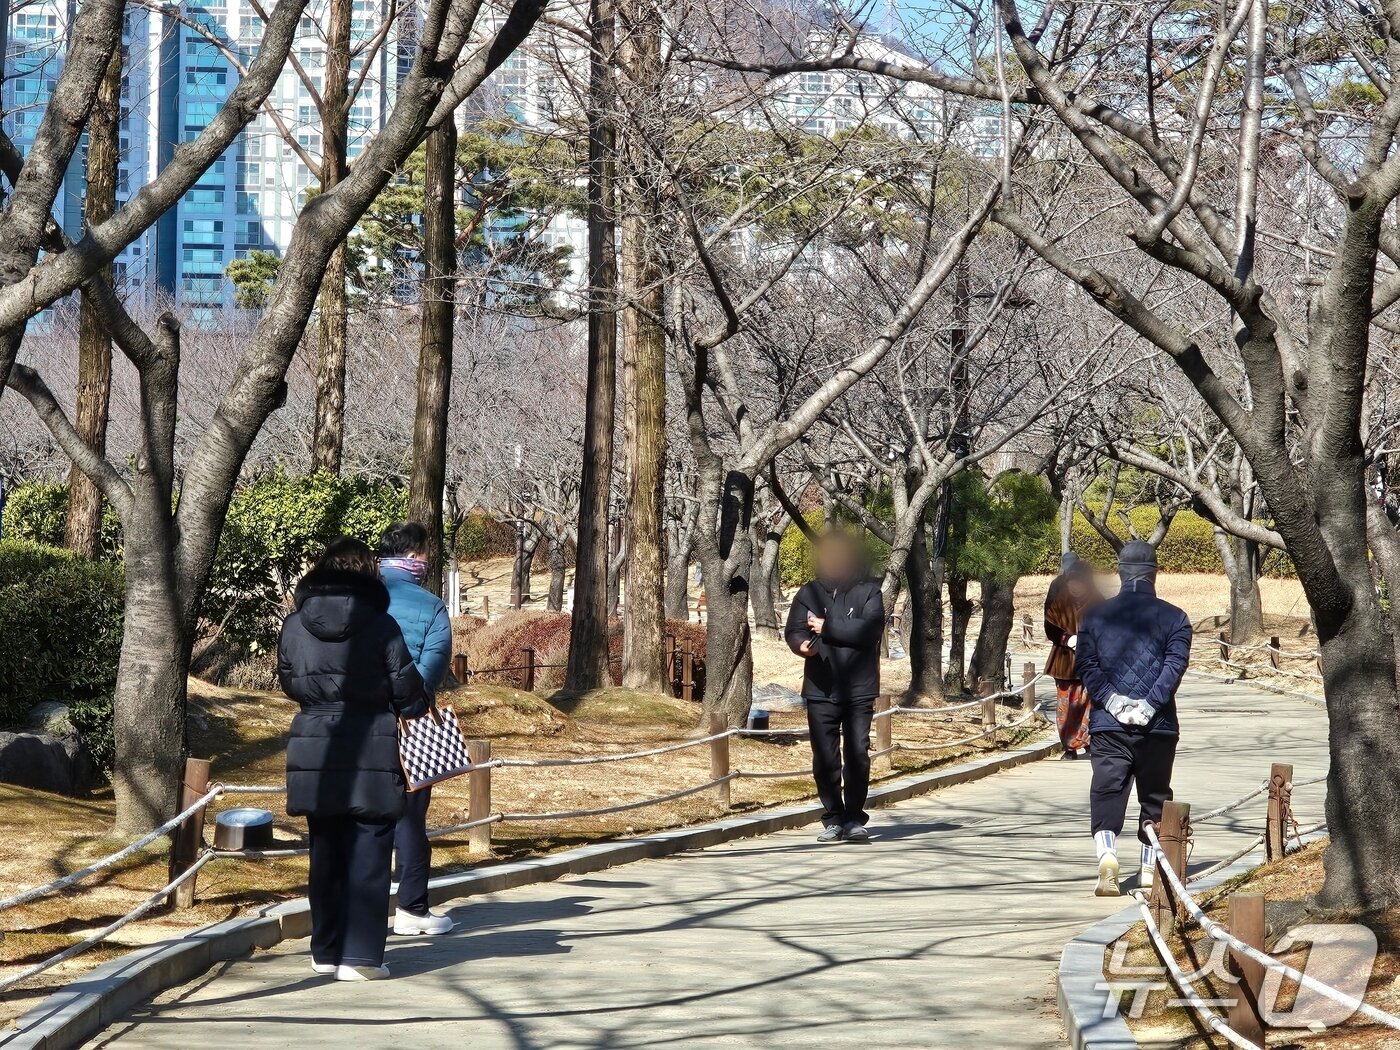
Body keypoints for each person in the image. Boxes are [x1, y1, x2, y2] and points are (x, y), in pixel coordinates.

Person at [278, 537, 428, 981]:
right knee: (370, 848)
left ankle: (325, 949)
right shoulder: (382, 626)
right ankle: (361, 956)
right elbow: (406, 692)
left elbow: (290, 683)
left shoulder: (294, 625)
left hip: (314, 744)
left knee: (325, 850)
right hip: (371, 743)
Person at [1075, 540, 1192, 897]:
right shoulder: (1176, 617)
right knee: (1154, 795)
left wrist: (1112, 701)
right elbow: (1174, 667)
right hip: (1157, 726)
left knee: (1107, 790)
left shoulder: (1094, 616)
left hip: (1109, 725)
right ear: (1154, 574)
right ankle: (1147, 865)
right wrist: (1148, 704)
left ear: (1120, 573)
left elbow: (1086, 666)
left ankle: (1107, 855)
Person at [377, 522, 456, 937]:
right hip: (411, 723)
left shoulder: (360, 596)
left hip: (357, 721)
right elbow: (434, 666)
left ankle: (362, 907)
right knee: (409, 818)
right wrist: (410, 702)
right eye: (425, 553)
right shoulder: (432, 606)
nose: (428, 560)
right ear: (413, 556)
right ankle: (411, 908)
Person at [784, 529, 886, 843]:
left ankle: (855, 817)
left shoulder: (869, 591)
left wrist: (828, 627)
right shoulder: (809, 593)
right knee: (825, 756)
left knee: (857, 752)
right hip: (820, 688)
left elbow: (869, 630)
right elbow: (794, 629)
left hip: (859, 688)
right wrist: (801, 644)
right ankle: (832, 818)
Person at [1043, 555, 1101, 757]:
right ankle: (1069, 745)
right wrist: (1066, 639)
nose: (1075, 586)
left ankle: (1086, 740)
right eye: (1071, 582)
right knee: (1065, 705)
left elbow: (1105, 629)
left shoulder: (1098, 601)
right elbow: (1049, 626)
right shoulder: (1060, 602)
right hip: (1064, 660)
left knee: (1087, 704)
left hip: (1090, 660)